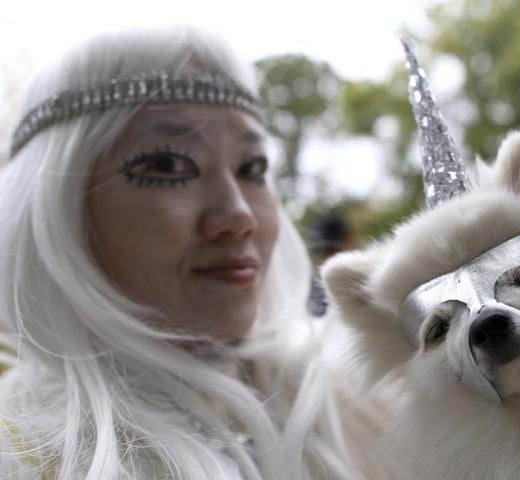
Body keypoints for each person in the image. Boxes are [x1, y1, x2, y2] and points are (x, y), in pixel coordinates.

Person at [0, 26, 391, 479]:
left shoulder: (364, 405)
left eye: (252, 168)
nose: (238, 215)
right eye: (169, 165)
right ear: (57, 205)